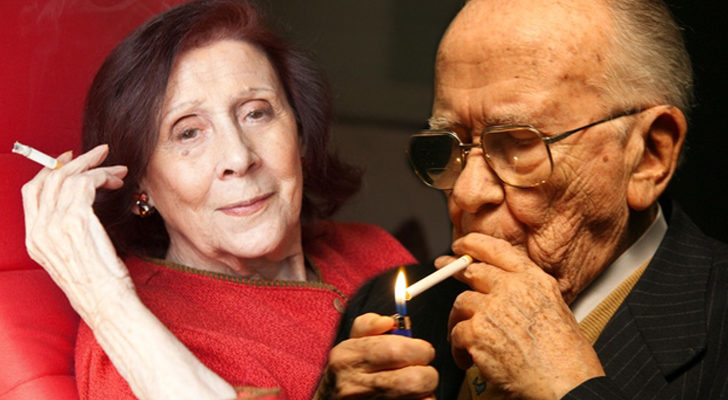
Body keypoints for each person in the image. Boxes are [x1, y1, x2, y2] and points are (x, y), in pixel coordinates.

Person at [322, 0, 728, 399]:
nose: (467, 192)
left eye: (520, 143)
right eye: (452, 144)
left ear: (649, 155)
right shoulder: (386, 309)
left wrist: (569, 388)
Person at [21, 1, 415, 399]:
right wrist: (104, 298)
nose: (239, 158)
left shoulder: (370, 248)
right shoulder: (129, 347)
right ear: (140, 181)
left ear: (300, 134)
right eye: (188, 132)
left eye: (256, 113)